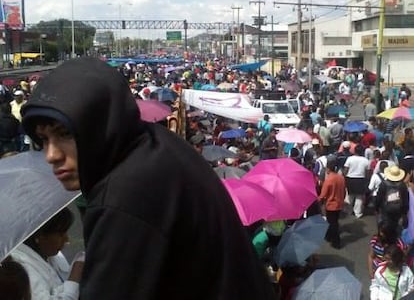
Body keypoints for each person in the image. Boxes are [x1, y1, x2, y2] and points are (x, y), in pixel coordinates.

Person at [21, 57, 276, 299]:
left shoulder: (124, 196)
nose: (51, 155)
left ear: (98, 125)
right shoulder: (156, 146)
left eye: (65, 134)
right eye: (43, 139)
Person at [10, 207, 84, 300]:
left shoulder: (51, 254)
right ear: (39, 236)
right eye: (60, 234)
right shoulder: (24, 268)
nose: (66, 239)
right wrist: (75, 277)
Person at [318, 158, 346, 249]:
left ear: (328, 169)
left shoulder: (329, 180)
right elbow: (344, 191)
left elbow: (323, 194)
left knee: (333, 224)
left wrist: (318, 200)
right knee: (333, 222)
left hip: (331, 205)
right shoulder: (341, 178)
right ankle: (329, 236)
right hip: (339, 203)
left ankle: (336, 242)